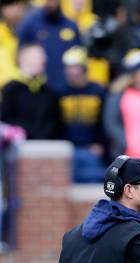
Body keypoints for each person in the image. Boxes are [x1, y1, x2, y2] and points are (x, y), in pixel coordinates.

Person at [57, 46, 107, 182]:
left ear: (84, 68)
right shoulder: (60, 92)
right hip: (68, 149)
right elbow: (56, 122)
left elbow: (104, 121)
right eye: (68, 67)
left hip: (91, 149)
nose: (71, 71)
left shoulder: (98, 91)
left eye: (74, 66)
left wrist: (100, 143)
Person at [0, 43, 62, 140]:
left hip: (48, 147)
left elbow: (56, 121)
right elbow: (5, 120)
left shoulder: (49, 90)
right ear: (23, 59)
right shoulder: (10, 89)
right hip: (17, 147)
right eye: (38, 56)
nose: (44, 59)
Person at [17, 0, 81, 92]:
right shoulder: (30, 24)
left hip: (65, 87)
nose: (52, 2)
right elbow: (20, 53)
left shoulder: (70, 25)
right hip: (37, 87)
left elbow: (79, 54)